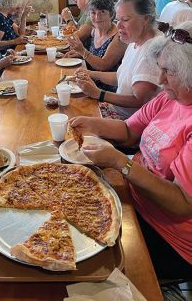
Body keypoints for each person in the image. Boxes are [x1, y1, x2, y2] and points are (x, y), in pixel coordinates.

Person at [69, 20, 192, 279]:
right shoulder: (168, 98)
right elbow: (128, 131)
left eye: (167, 72)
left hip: (166, 235)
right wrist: (92, 123)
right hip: (131, 198)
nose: (159, 80)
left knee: (83, 264)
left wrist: (120, 163)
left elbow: (182, 203)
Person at [74, 0, 161, 119]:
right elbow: (120, 77)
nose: (118, 25)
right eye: (118, 19)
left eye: (125, 20)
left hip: (127, 121)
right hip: (114, 108)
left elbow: (140, 101)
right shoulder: (134, 40)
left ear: (145, 19)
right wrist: (91, 74)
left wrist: (99, 94)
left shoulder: (153, 51)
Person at [65, 0, 127, 92]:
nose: (97, 17)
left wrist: (82, 52)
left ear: (111, 14)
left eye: (102, 12)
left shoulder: (119, 37)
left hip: (105, 91)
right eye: (93, 12)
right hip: (88, 82)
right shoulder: (94, 30)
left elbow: (104, 65)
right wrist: (79, 54)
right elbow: (95, 56)